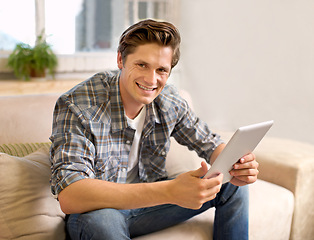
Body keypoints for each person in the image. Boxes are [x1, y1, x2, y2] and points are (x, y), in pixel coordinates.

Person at [50, 19, 259, 240]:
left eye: (161, 70)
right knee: (102, 222)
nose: (151, 80)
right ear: (121, 59)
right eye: (142, 65)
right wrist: (170, 191)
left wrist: (237, 166)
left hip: (151, 206)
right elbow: (70, 195)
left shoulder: (169, 101)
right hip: (100, 211)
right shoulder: (78, 105)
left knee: (231, 184)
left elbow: (209, 143)